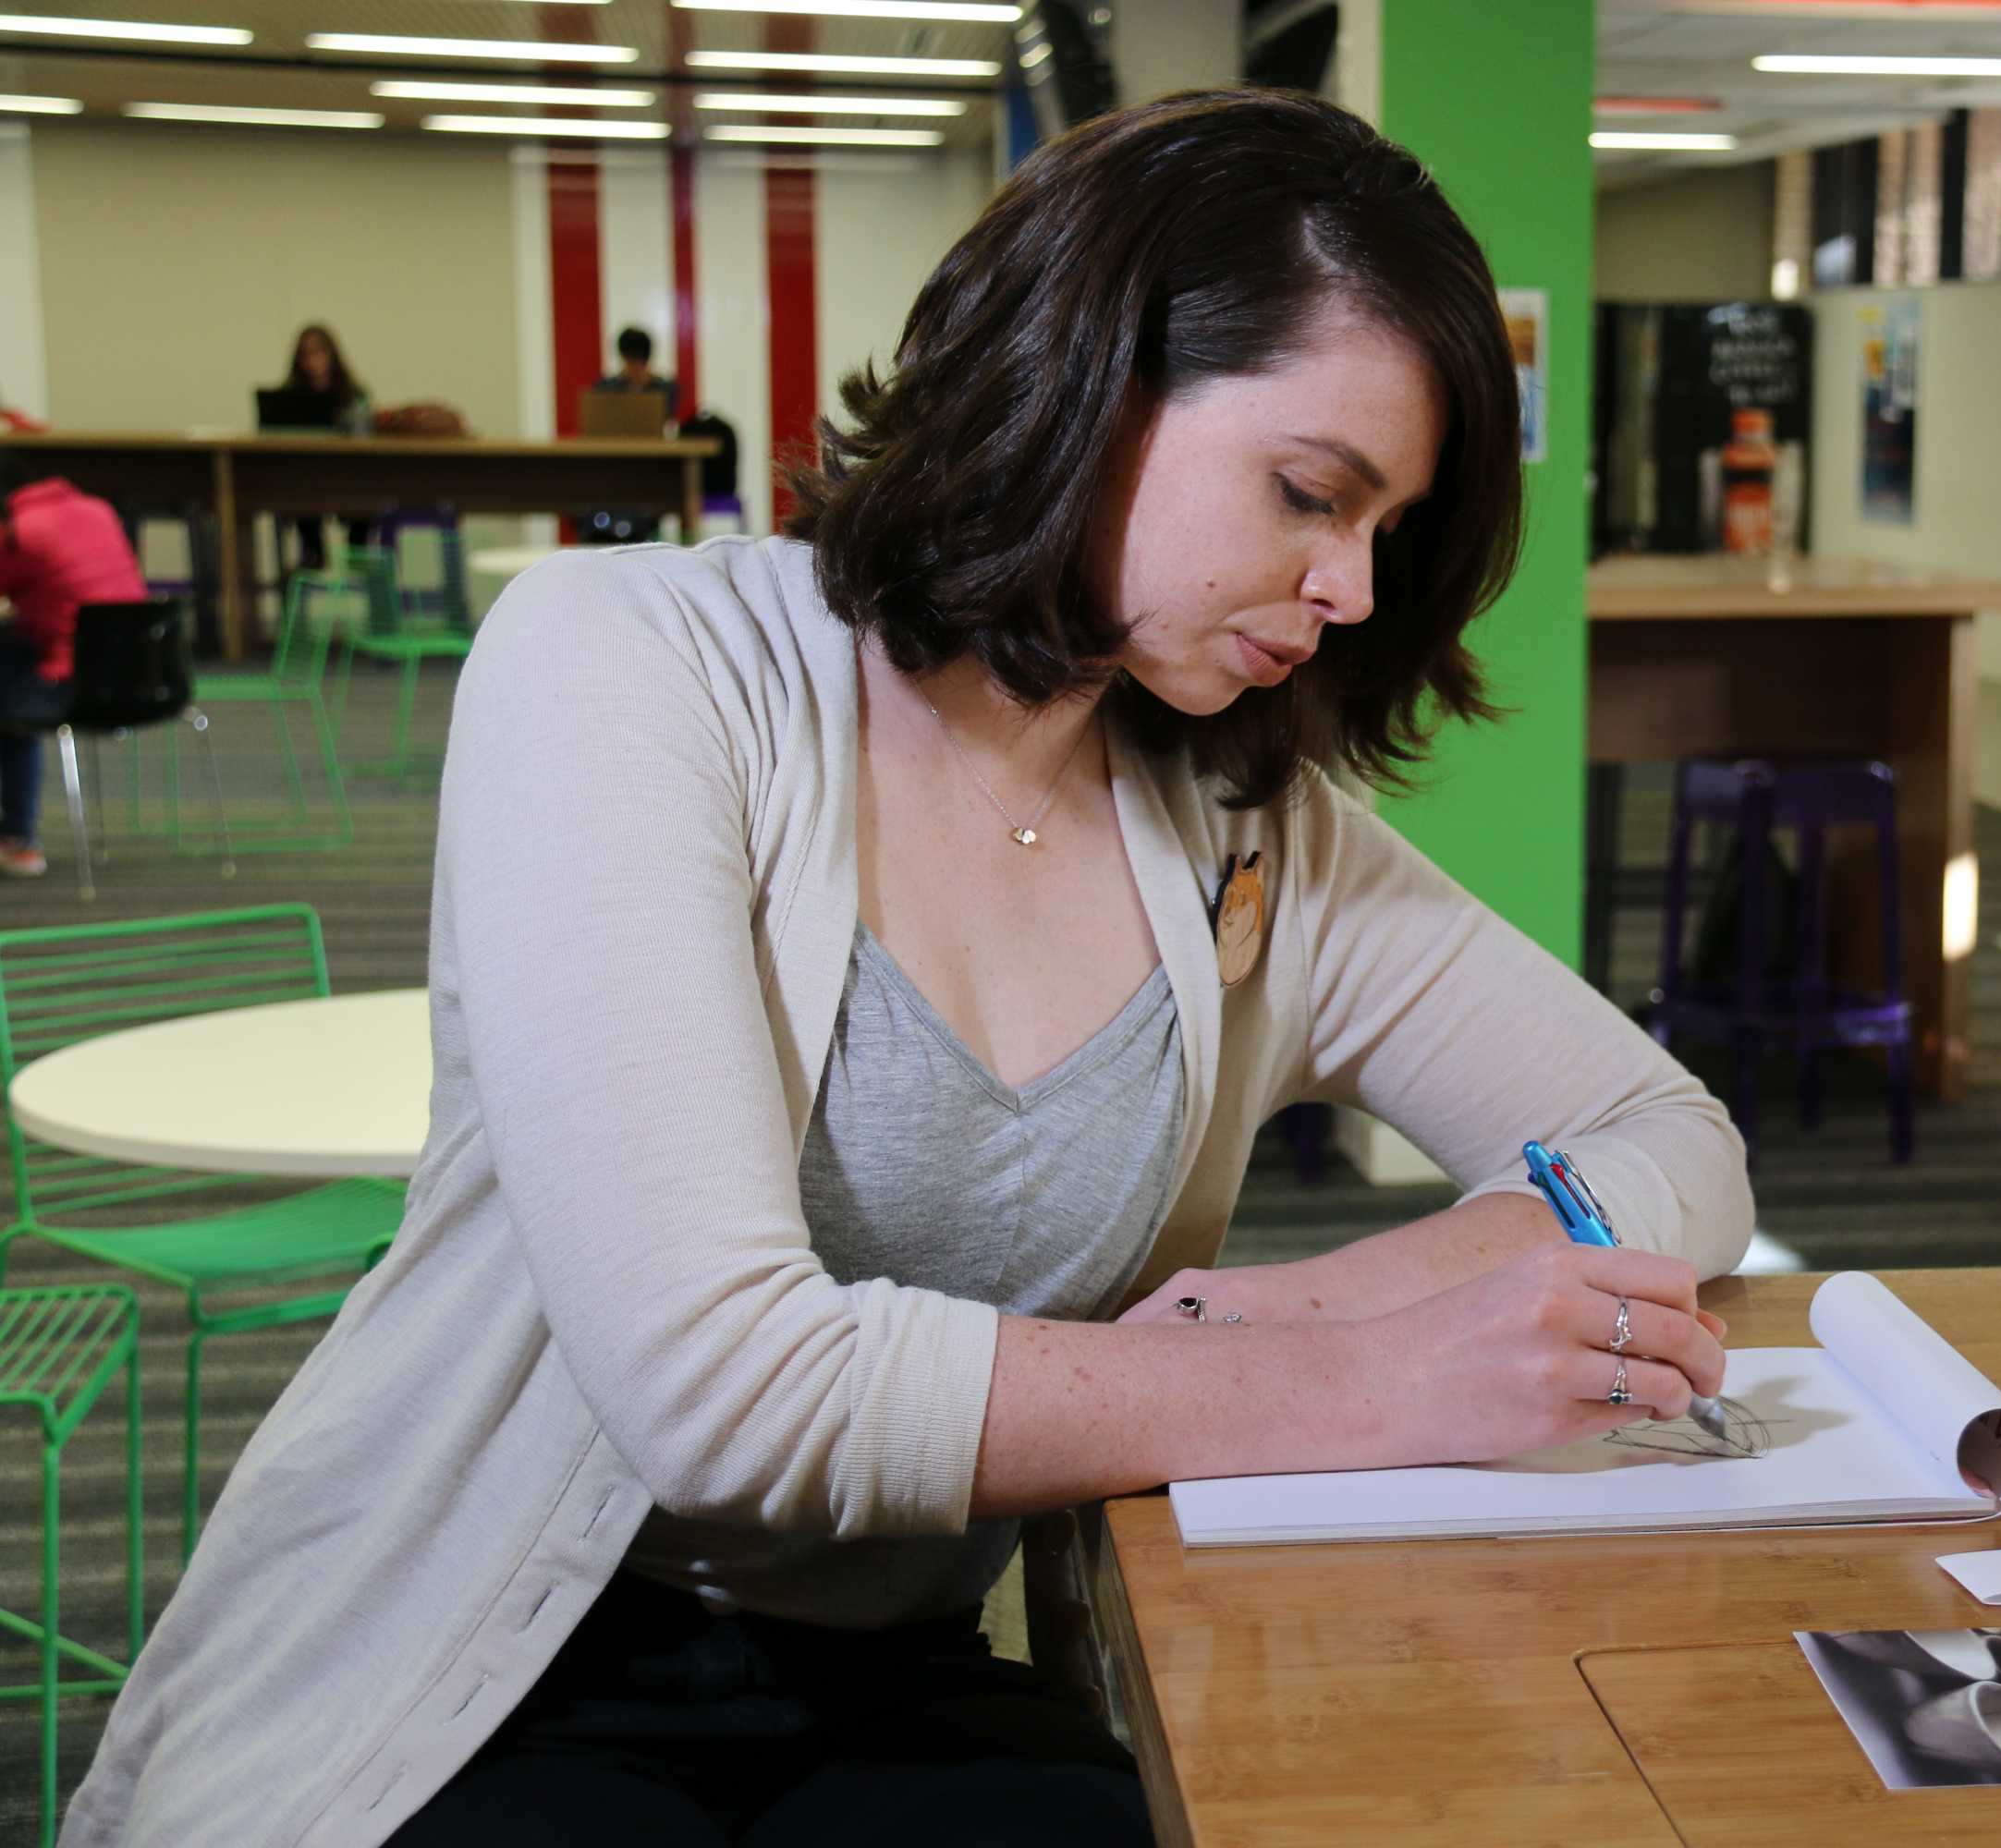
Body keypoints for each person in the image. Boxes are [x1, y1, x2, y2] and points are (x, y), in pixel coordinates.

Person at [63, 90, 1751, 1847]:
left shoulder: (1252, 822)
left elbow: (1670, 1138)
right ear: (1086, 380)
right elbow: (727, 1396)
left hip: (898, 1662)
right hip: (481, 1654)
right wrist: (1383, 1379)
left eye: (1385, 532)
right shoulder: (634, 670)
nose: (1345, 586)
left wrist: (1306, 1307)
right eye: (1310, 494)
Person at [0, 453, 148, 877]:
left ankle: (18, 837)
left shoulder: (19, 531)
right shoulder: (96, 508)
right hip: (144, 675)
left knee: (9, 704)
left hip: (76, 685)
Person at [281, 323, 372, 569]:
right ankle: (314, 556)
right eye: (306, 355)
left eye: (319, 353)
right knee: (301, 499)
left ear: (332, 355)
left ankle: (357, 557)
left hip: (348, 478)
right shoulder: (288, 398)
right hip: (306, 480)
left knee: (367, 499)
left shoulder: (353, 394)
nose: (313, 361)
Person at [594, 324, 679, 419]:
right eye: (632, 362)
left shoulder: (666, 388)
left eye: (640, 361)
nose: (636, 368)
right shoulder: (606, 387)